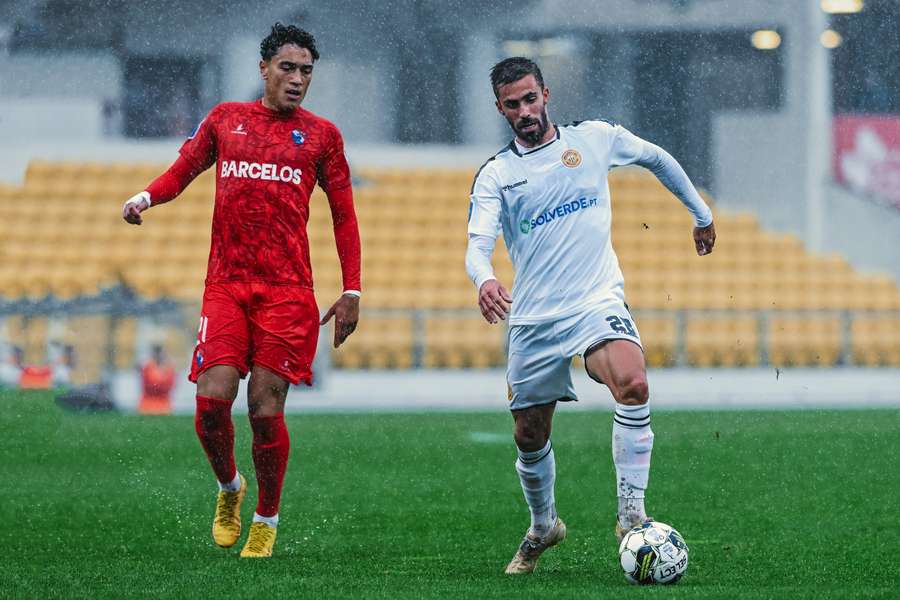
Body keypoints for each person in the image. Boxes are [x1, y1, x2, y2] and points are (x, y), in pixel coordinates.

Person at [465, 57, 715, 575]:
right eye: (512, 104)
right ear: (500, 109)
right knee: (528, 435)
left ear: (546, 94)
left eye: (531, 99)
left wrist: (702, 214)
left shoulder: (595, 138)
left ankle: (631, 515)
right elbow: (477, 244)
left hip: (595, 300)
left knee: (633, 383)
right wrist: (485, 278)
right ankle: (543, 527)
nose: (524, 111)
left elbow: (658, 159)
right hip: (534, 318)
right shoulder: (497, 173)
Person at [121, 23, 361, 558]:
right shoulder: (227, 120)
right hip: (227, 284)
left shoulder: (322, 136)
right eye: (287, 68)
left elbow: (343, 215)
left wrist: (353, 291)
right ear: (263, 69)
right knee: (210, 406)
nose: (297, 79)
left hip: (288, 290)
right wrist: (144, 197)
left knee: (264, 410)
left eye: (306, 71)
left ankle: (266, 518)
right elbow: (182, 171)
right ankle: (231, 487)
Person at [138, 343, 176, 415]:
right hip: (147, 407)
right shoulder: (147, 367)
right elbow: (151, 385)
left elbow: (168, 386)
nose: (158, 355)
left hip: (164, 407)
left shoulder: (169, 367)